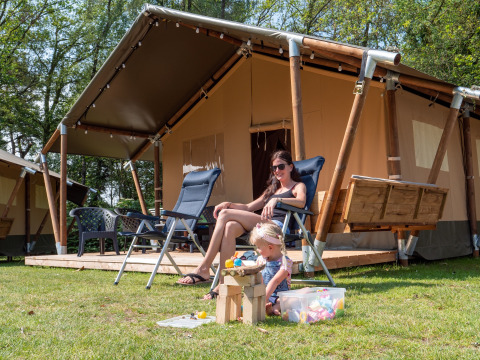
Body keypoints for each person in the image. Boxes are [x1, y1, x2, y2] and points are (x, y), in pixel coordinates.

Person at [176, 150, 306, 300]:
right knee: (230, 226)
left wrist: (278, 200)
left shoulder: (297, 186)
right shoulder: (272, 190)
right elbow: (248, 207)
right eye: (273, 168)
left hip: (276, 228)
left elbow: (301, 202)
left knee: (224, 215)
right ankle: (224, 284)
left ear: (290, 167)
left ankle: (204, 268)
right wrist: (229, 204)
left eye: (281, 166)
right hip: (260, 224)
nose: (277, 171)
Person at [249, 222, 293, 316]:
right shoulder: (261, 260)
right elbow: (259, 278)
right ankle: (269, 307)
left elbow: (276, 281)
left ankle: (275, 308)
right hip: (265, 294)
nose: (257, 250)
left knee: (286, 299)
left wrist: (264, 298)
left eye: (259, 247)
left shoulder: (285, 262)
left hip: (279, 295)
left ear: (270, 247)